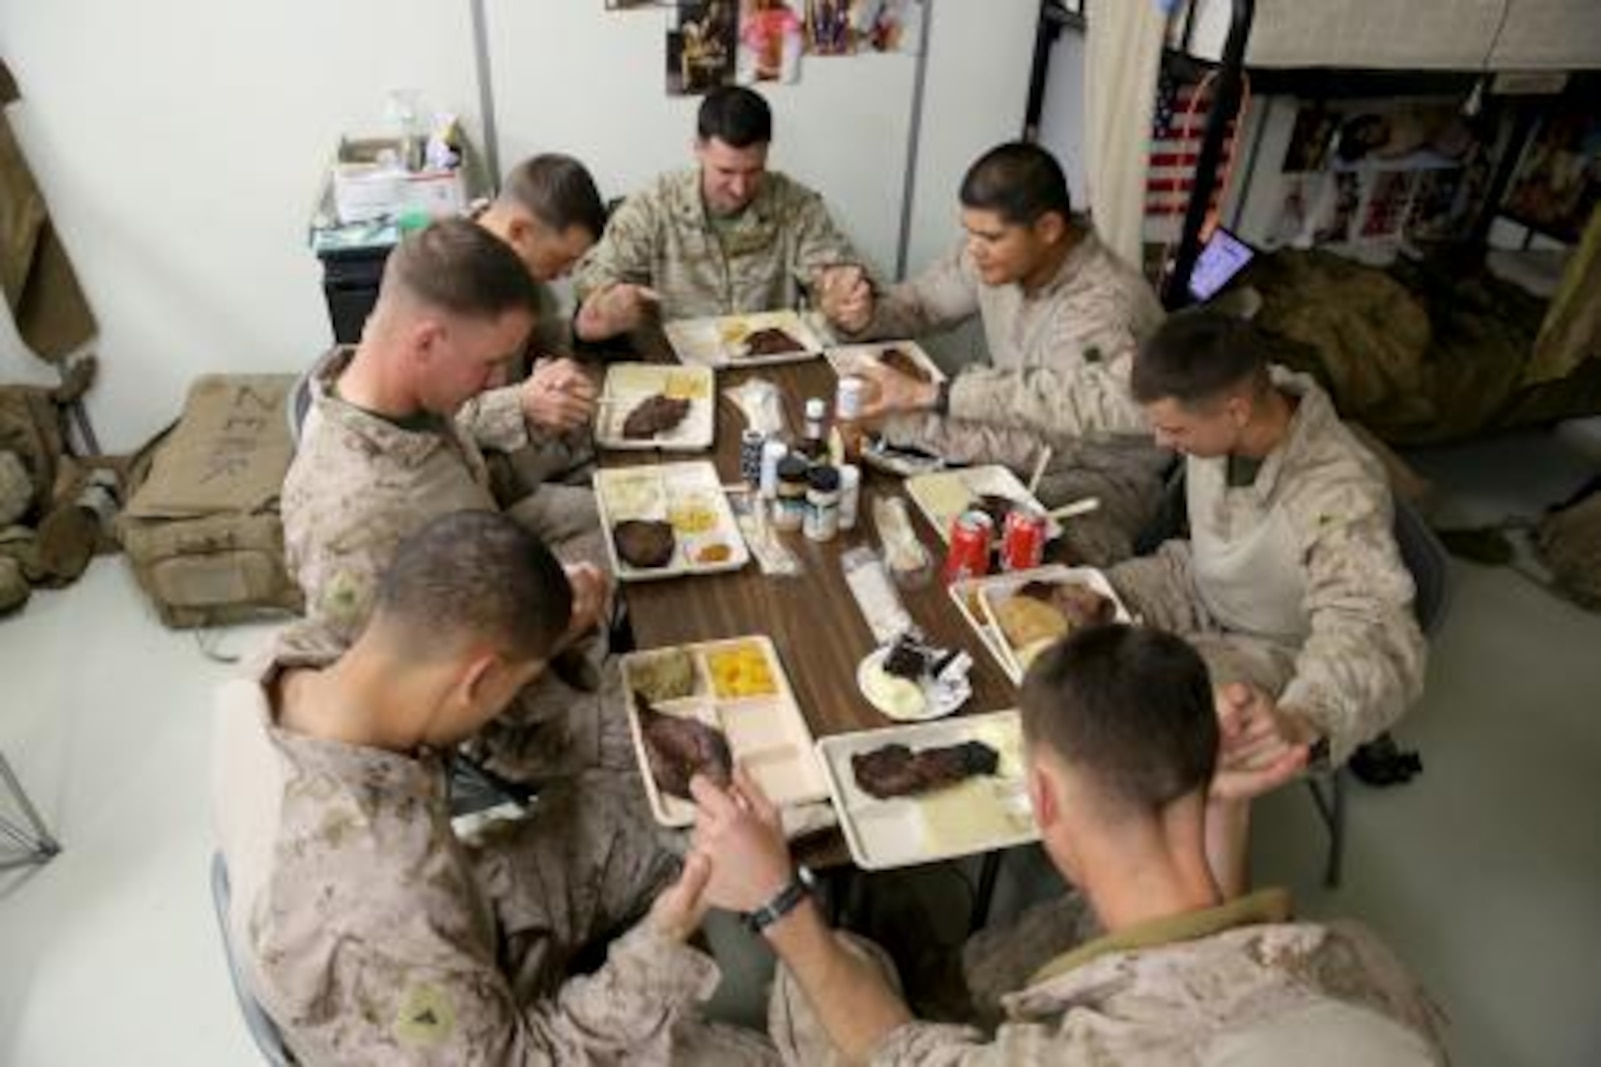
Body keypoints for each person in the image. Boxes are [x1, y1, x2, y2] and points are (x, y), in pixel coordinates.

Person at [688, 624, 1448, 1063]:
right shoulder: (1368, 966)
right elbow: (1229, 959)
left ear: (1041, 796)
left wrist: (777, 899)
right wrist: (1221, 812)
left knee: (811, 984)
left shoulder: (1075, 1055)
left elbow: (895, 1053)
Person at [214, 512, 776, 1065]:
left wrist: (548, 638)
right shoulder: (385, 898)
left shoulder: (289, 656)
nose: (516, 698)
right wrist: (659, 941)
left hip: (442, 919)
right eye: (518, 686)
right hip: (422, 1010)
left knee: (651, 809)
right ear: (479, 679)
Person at [282, 219, 614, 780]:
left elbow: (472, 489)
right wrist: (560, 635)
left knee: (646, 534)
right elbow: (403, 712)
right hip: (498, 721)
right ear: (426, 342)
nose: (492, 383)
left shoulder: (408, 396)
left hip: (508, 603)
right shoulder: (351, 518)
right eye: (489, 363)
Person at [1109, 309, 1427, 891]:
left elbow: (1375, 629)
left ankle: (1171, 901)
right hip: (1196, 581)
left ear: (1235, 411)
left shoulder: (1338, 490)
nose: (1160, 442)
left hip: (1275, 644)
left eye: (1174, 432)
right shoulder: (1225, 390)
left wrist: (1305, 716)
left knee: (1153, 726)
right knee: (1071, 610)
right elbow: (1098, 396)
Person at [819, 142, 1169, 564]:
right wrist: (862, 314)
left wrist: (912, 422)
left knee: (1003, 561)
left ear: (1048, 228)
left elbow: (1044, 444)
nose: (974, 249)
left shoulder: (1101, 307)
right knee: (891, 525)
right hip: (1017, 441)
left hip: (1101, 477)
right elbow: (925, 302)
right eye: (969, 231)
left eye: (990, 237)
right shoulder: (1000, 255)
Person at [572, 85, 866, 341]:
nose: (739, 188)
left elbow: (832, 273)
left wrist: (842, 294)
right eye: (725, 171)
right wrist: (609, 300)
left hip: (769, 361)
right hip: (674, 368)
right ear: (698, 149)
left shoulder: (796, 205)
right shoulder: (654, 205)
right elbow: (594, 279)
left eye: (754, 171)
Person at [474, 153, 610, 499]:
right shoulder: (446, 281)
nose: (566, 274)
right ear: (519, 231)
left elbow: (526, 343)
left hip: (535, 453)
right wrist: (520, 402)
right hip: (481, 484)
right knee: (616, 521)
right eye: (562, 259)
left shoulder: (511, 261)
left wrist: (577, 329)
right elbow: (430, 424)